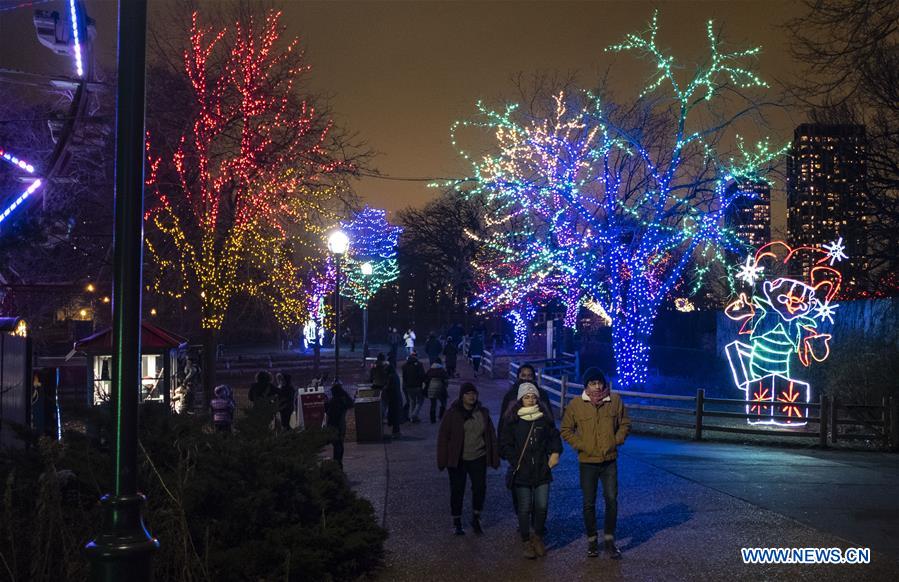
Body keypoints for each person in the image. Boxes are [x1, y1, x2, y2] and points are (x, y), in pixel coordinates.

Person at [560, 367, 631, 559]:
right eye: (592, 383)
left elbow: (625, 423)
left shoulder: (614, 401)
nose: (597, 386)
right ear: (586, 385)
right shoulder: (576, 404)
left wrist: (616, 440)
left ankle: (609, 539)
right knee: (588, 503)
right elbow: (566, 429)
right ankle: (592, 540)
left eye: (599, 382)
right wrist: (581, 445)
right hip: (587, 461)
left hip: (609, 461)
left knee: (611, 500)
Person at [500, 382, 562, 559]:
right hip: (522, 470)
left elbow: (553, 437)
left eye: (533, 396)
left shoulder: (543, 418)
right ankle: (526, 541)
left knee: (542, 506)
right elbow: (506, 443)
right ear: (520, 399)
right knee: (525, 507)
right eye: (527, 397)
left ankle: (538, 537)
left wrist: (555, 453)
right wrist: (515, 460)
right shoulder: (513, 419)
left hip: (542, 469)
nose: (530, 399)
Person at [437, 383, 499, 535]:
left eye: (474, 393)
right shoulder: (452, 414)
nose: (471, 396)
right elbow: (444, 436)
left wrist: (494, 455)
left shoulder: (482, 413)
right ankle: (457, 520)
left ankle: (476, 517)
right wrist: (442, 459)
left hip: (478, 456)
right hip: (458, 458)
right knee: (457, 490)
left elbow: (490, 434)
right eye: (468, 394)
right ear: (462, 396)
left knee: (479, 488)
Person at [497, 364, 554, 438]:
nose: (526, 378)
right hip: (515, 439)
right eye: (523, 375)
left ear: (533, 377)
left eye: (529, 375)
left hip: (539, 438)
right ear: (518, 377)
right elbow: (503, 421)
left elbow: (549, 419)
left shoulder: (542, 394)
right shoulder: (511, 395)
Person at [325, 382, 354, 468]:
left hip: (335, 426)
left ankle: (337, 465)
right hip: (341, 426)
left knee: (337, 446)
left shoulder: (335, 401)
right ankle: (338, 464)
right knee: (339, 446)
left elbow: (330, 413)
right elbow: (351, 403)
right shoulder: (343, 400)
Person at [402, 351, 427, 423]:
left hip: (408, 387)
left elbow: (404, 377)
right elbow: (422, 375)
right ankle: (413, 415)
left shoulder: (404, 366)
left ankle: (412, 418)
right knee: (420, 401)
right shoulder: (419, 365)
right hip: (417, 386)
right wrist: (424, 382)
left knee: (412, 401)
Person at [426, 357, 449, 423]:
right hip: (440, 389)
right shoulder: (442, 370)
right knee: (443, 403)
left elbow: (426, 379)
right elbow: (446, 380)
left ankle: (432, 419)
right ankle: (440, 416)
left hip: (431, 389)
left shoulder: (430, 370)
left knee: (433, 404)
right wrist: (445, 386)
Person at [384, 363, 405, 437]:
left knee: (394, 414)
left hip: (393, 398)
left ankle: (395, 432)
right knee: (396, 414)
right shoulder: (395, 376)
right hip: (396, 397)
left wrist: (384, 389)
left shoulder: (391, 377)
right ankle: (396, 431)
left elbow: (388, 387)